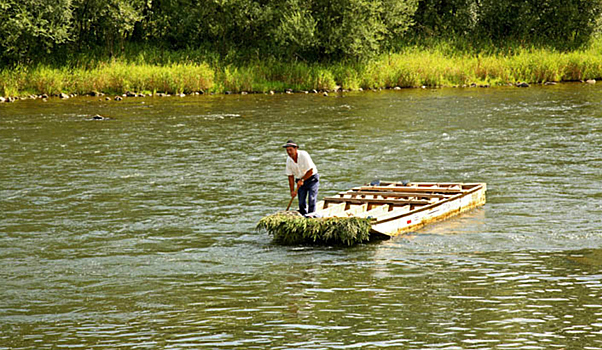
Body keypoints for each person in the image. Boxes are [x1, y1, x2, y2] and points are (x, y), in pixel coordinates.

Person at [283, 140, 319, 216]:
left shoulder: (304, 155)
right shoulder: (289, 160)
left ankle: (311, 216)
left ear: (296, 149)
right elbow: (290, 177)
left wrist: (302, 180)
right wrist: (292, 191)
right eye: (287, 150)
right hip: (300, 180)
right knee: (301, 201)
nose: (289, 152)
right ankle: (303, 215)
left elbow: (311, 171)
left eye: (290, 150)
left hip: (312, 178)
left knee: (311, 199)